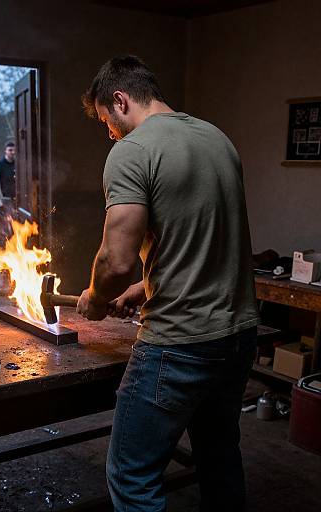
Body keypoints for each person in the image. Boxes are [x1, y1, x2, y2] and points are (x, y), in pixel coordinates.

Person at [77, 56, 260, 512]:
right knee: (219, 456)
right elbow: (205, 239)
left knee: (132, 474)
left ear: (120, 101)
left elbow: (116, 260)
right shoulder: (216, 138)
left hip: (179, 345)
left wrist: (96, 297)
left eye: (106, 121)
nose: (109, 134)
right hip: (238, 336)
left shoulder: (132, 150)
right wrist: (145, 287)